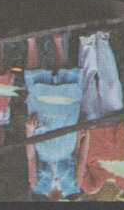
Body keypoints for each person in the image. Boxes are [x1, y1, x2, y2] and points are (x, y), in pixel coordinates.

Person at [76, 30, 124, 197]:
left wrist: (78, 138)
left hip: (92, 129)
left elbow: (78, 161)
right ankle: (101, 38)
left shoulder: (91, 187)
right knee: (112, 84)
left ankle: (87, 41)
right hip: (115, 124)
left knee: (87, 83)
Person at [23, 34, 83, 200]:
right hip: (67, 136)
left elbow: (31, 157)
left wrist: (29, 132)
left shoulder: (37, 187)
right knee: (66, 90)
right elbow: (80, 157)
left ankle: (31, 41)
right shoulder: (73, 187)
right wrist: (84, 135)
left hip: (43, 137)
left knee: (37, 92)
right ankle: (58, 41)